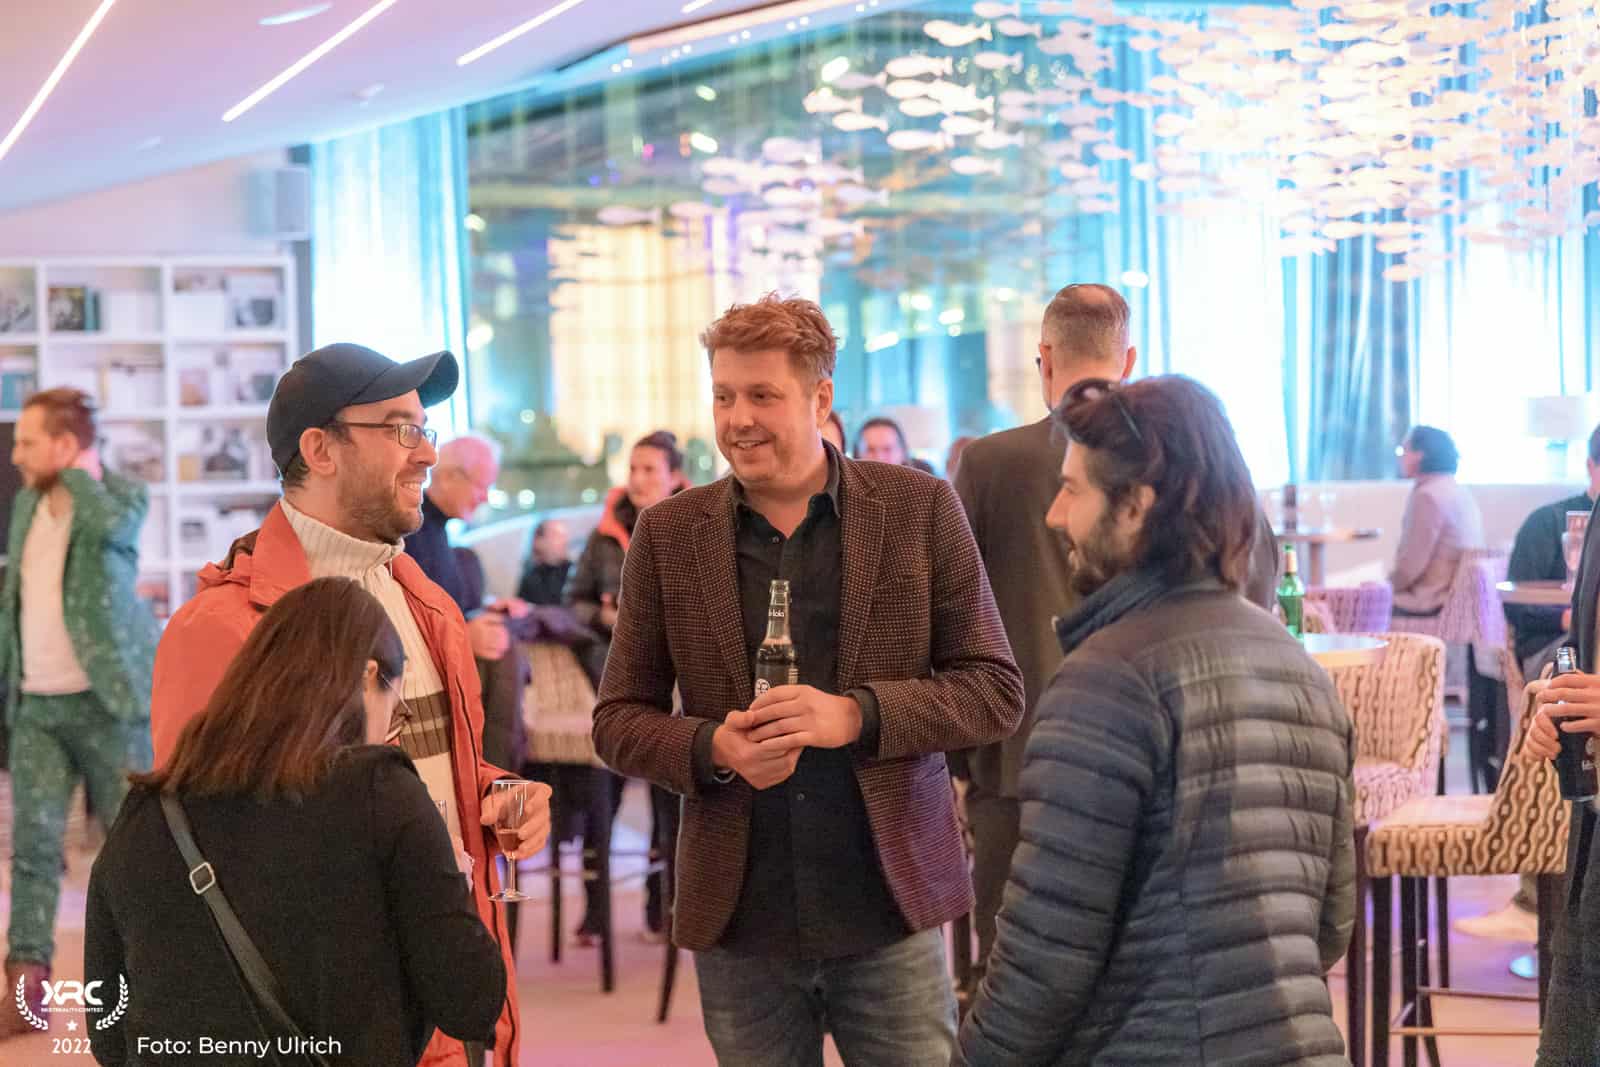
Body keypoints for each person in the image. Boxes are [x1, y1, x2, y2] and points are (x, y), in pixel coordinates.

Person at [591, 293, 1024, 1066]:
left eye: (762, 395)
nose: (738, 419)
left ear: (821, 399)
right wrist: (713, 746)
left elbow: (994, 690)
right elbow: (618, 718)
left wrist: (857, 715)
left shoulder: (920, 507)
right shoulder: (668, 533)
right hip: (740, 920)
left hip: (888, 908)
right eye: (724, 395)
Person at [148, 342, 548, 1067]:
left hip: (450, 1004)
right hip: (318, 1025)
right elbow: (192, 857)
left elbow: (423, 768)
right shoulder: (221, 629)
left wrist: (494, 794)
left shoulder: (428, 604)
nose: (426, 452)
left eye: (425, 428)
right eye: (400, 429)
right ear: (320, 450)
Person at [956, 375, 1356, 1065]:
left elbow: (1043, 965)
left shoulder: (1104, 682)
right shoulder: (1302, 672)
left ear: (1135, 507)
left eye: (1073, 489)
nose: (1055, 514)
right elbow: (1329, 923)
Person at [85, 578, 517, 1066]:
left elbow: (107, 1035)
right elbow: (471, 1003)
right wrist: (450, 880)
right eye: (396, 709)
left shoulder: (147, 811)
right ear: (367, 676)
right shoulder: (378, 791)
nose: (388, 732)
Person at [951, 282, 1136, 986]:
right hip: (1138, 756)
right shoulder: (1178, 456)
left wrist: (956, 759)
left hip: (1016, 752)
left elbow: (950, 612)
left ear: (1045, 359)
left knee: (1010, 973)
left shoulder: (989, 463)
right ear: (1130, 359)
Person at [0, 387, 160, 1039]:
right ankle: (24, 993)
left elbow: (111, 531)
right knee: (33, 847)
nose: (15, 455)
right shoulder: (26, 503)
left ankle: (150, 988)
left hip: (110, 701)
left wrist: (78, 475)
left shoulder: (122, 496)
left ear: (66, 446)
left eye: (28, 442)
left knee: (132, 849)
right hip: (36, 703)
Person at [1456, 426, 1600, 944]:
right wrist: (1569, 614)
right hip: (1549, 645)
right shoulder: (1549, 521)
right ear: (1590, 467)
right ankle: (1539, 894)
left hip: (1578, 646)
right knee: (1556, 690)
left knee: (1562, 697)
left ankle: (1540, 897)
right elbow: (1516, 605)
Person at [566, 429, 684, 945]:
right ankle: (596, 915)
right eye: (633, 469)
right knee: (603, 802)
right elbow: (573, 603)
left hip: (676, 689)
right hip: (611, 682)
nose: (638, 479)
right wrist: (607, 617)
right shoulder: (603, 535)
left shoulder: (694, 528)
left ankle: (665, 912)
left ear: (674, 477)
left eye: (649, 470)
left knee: (669, 808)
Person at [404, 434, 532, 772]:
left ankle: (499, 784)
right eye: (482, 486)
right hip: (429, 671)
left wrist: (484, 611)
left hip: (456, 663)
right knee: (503, 651)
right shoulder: (411, 530)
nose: (486, 497)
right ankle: (498, 785)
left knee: (503, 636)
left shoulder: (438, 531)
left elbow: (446, 604)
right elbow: (405, 614)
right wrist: (464, 635)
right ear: (448, 477)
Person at [1390, 425, 1485, 616]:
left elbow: (1411, 566)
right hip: (1457, 598)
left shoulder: (1428, 496)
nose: (1400, 457)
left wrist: (1384, 588)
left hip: (1430, 600)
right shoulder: (1458, 490)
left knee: (1350, 604)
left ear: (1419, 455)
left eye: (1403, 451)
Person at [518, 518, 572, 606]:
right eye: (556, 536)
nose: (564, 541)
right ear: (539, 541)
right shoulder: (531, 577)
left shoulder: (575, 572)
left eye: (564, 536)